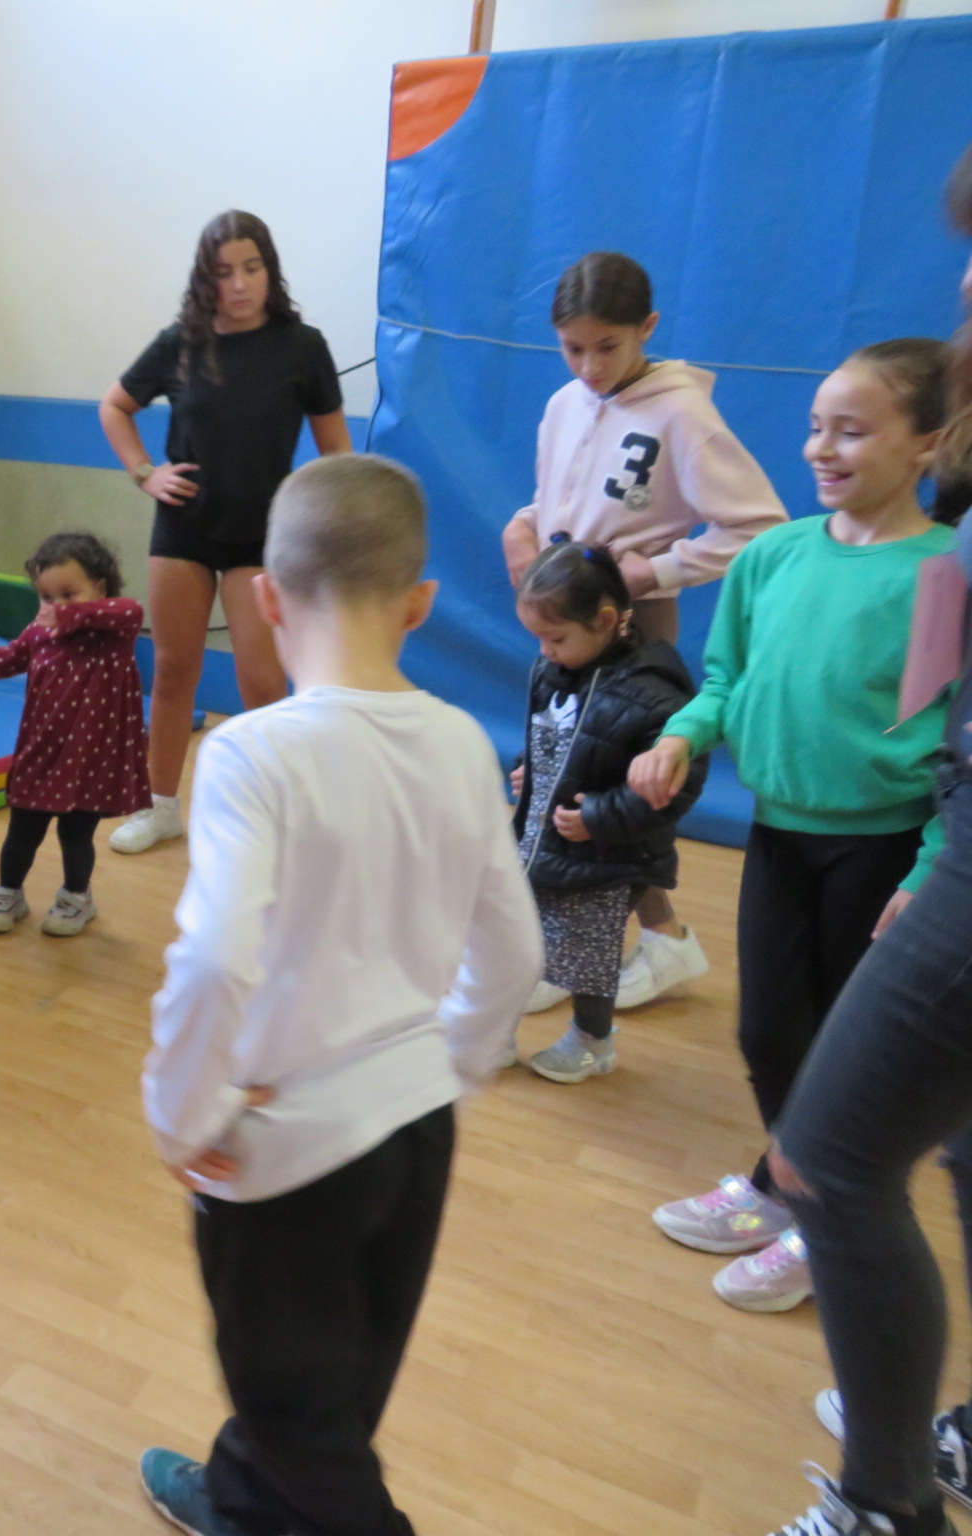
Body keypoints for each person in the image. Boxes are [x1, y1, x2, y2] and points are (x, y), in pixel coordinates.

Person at [139, 455, 540, 1536]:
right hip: (417, 1128)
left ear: (266, 599)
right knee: (346, 1375)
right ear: (419, 603)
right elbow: (512, 947)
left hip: (287, 1150)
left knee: (298, 1419)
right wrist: (446, 1067)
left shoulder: (250, 753)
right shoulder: (463, 740)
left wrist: (181, 1117)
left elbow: (214, 959)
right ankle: (243, 1504)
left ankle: (279, 1493)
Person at [631, 338, 958, 1318]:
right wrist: (683, 735)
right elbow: (725, 678)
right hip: (778, 834)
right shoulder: (771, 556)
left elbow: (954, 740)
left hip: (882, 848)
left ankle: (827, 1217)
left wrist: (930, 867)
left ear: (926, 444)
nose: (820, 447)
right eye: (816, 427)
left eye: (851, 431)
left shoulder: (944, 575)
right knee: (768, 1030)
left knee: (843, 1048)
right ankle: (785, 1184)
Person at [756, 148, 972, 1536]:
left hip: (930, 854)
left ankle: (887, 1506)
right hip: (889, 835)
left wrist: (937, 859)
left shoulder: (928, 558)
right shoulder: (798, 553)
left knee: (826, 1160)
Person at [504, 252, 787, 1013]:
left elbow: (760, 527)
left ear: (648, 328)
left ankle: (632, 942)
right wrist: (522, 528)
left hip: (626, 628)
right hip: (567, 622)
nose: (590, 366)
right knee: (567, 792)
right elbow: (558, 502)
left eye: (608, 346)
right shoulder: (564, 403)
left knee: (606, 800)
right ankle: (617, 943)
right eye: (573, 348)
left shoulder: (681, 414)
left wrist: (655, 571)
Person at [100, 209, 352, 856]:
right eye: (223, 272)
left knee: (261, 681)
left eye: (251, 268)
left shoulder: (302, 347)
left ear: (270, 270)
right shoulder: (179, 343)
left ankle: (271, 815)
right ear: (204, 279)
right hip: (183, 529)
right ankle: (159, 807)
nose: (238, 284)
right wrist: (145, 473)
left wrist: (332, 531)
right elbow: (115, 406)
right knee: (172, 669)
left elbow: (337, 453)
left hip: (262, 538)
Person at [510, 539, 705, 1084]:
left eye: (556, 638)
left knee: (589, 960)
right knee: (524, 932)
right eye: (539, 639)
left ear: (604, 621)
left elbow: (678, 786)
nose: (545, 651)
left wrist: (599, 816)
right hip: (544, 840)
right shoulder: (555, 669)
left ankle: (592, 1041)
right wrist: (531, 768)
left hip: (608, 856)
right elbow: (558, 737)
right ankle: (500, 1025)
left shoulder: (654, 695)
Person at [0, 531, 150, 938]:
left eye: (69, 594)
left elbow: (131, 610)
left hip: (89, 759)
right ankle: (8, 893)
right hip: (41, 751)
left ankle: (76, 897)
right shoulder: (41, 631)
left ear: (99, 588)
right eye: (47, 597)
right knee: (22, 830)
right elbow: (9, 657)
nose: (56, 606)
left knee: (75, 833)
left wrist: (69, 614)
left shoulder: (113, 631)